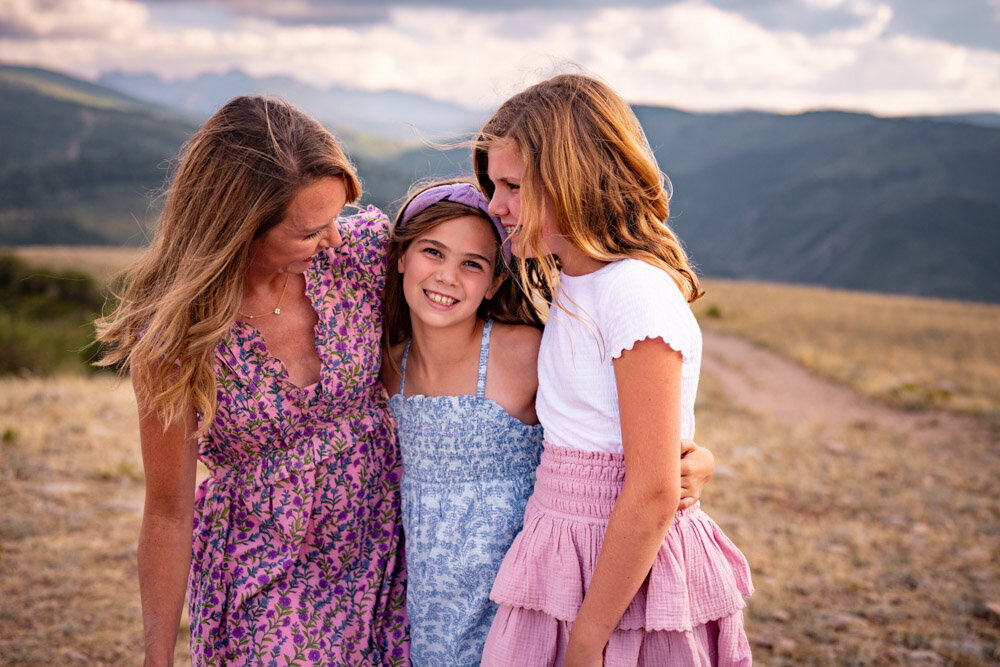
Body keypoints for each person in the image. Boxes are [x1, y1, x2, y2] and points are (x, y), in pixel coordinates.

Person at [94, 96, 408, 665]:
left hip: (387, 541)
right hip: (265, 566)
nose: (335, 239)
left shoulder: (363, 254)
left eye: (338, 216)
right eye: (311, 231)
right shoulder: (176, 340)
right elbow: (167, 512)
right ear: (239, 228)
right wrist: (157, 656)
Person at [474, 73, 754, 666]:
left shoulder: (634, 292)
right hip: (563, 547)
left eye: (512, 186)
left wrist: (586, 639)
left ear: (572, 181)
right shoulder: (572, 281)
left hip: (617, 570)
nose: (495, 205)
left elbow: (651, 491)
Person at [380, 180, 719, 665]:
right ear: (400, 258)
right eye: (432, 252)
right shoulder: (387, 367)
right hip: (430, 597)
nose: (447, 277)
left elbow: (603, 423)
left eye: (472, 264)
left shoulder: (523, 353)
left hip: (523, 586)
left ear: (496, 281)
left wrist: (696, 458)